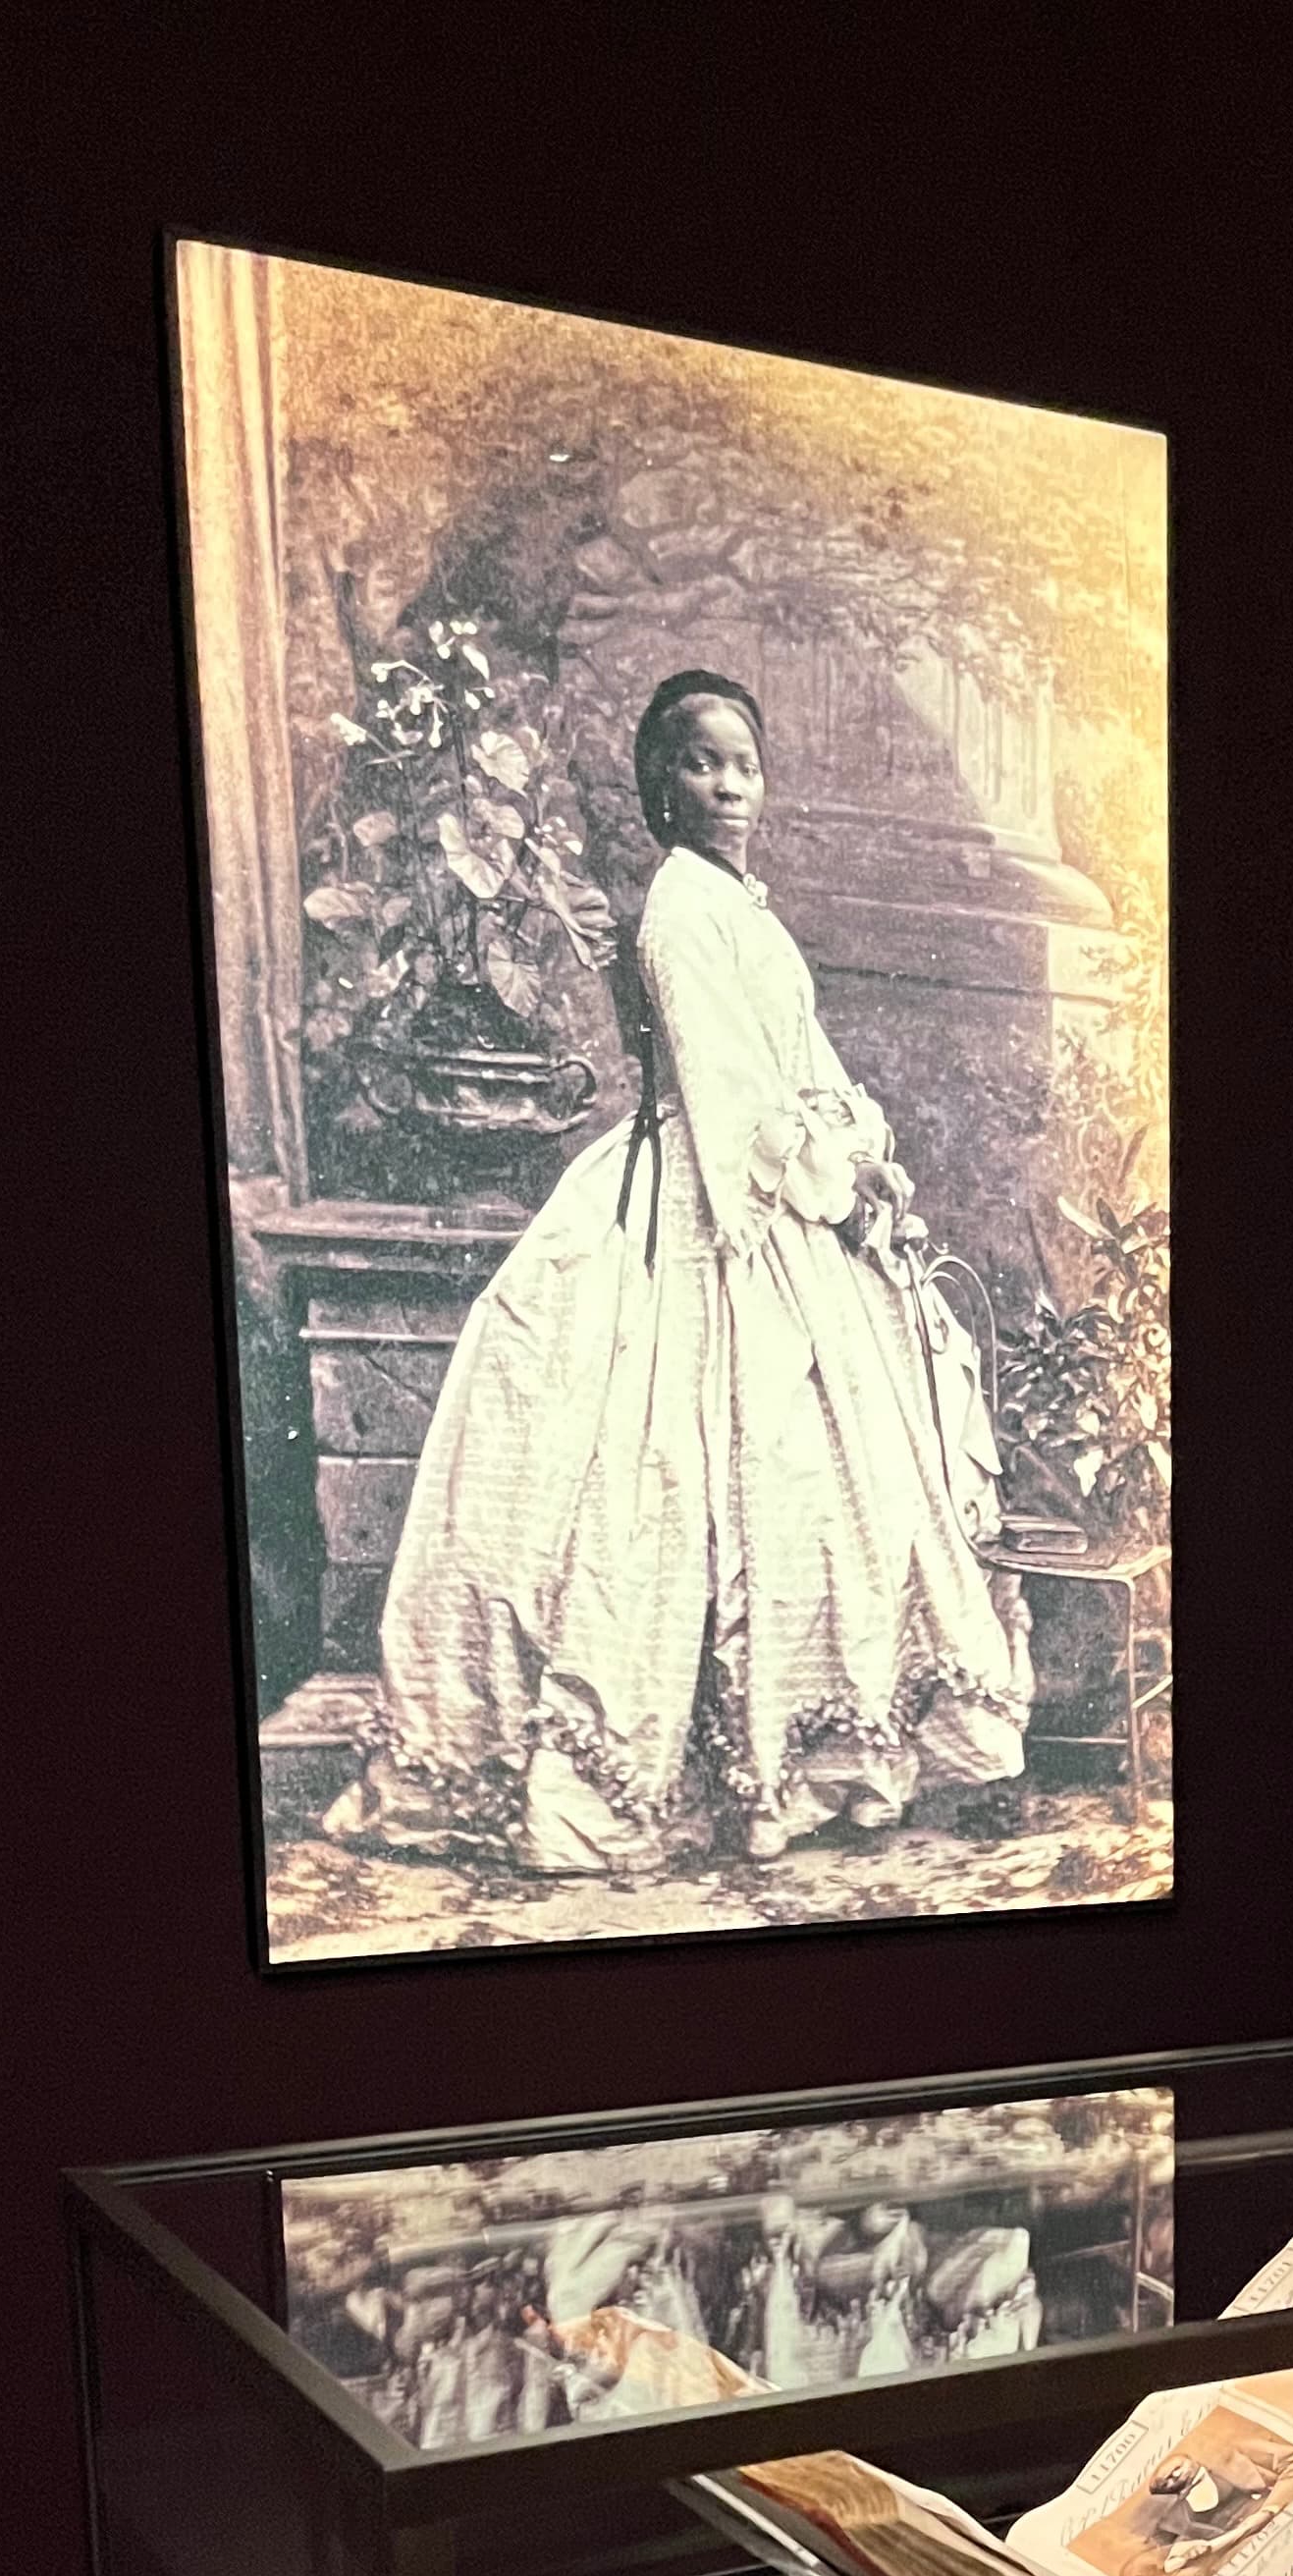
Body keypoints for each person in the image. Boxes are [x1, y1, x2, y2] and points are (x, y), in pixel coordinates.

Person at [328, 670, 1030, 1876]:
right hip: (702, 1203)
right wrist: (821, 1178)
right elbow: (726, 1093)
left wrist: (860, 1153)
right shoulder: (679, 910)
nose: (728, 784)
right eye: (701, 764)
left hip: (779, 1189)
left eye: (744, 763)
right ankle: (695, 1769)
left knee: (835, 1479)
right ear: (661, 788)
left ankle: (845, 1753)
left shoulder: (746, 909)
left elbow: (801, 1058)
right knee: (668, 1469)